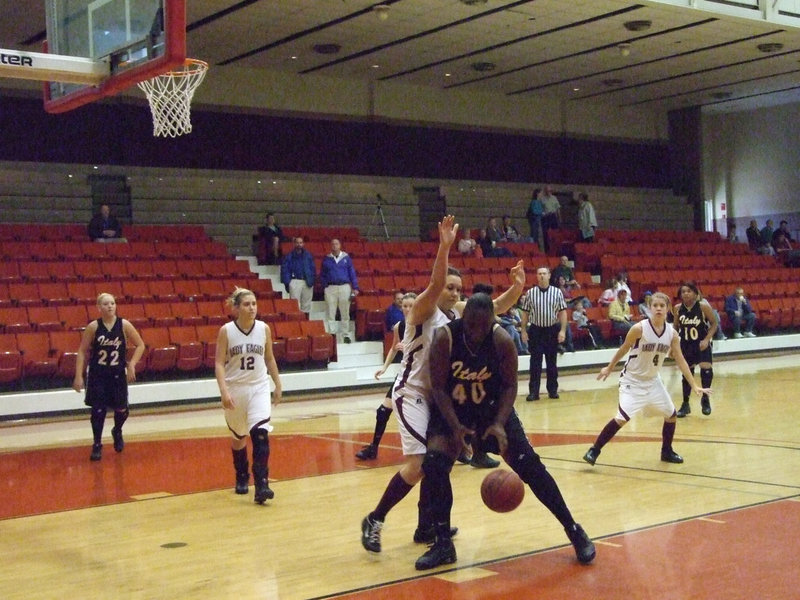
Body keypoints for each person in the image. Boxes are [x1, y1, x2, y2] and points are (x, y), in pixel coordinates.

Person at [360, 216, 525, 554]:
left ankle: (426, 526)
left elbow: (494, 307)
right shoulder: (422, 309)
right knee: (422, 463)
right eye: (449, 287)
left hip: (439, 397)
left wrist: (518, 288)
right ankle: (375, 519)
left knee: (438, 462)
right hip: (412, 393)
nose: (452, 292)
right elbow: (434, 287)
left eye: (456, 289)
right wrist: (444, 247)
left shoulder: (457, 316)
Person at [414, 293, 595, 570]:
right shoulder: (445, 338)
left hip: (492, 410)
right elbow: (438, 387)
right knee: (435, 464)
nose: (475, 332)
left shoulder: (502, 340)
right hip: (454, 409)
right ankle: (442, 543)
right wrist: (455, 427)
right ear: (464, 319)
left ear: (491, 323)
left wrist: (498, 423)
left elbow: (510, 386)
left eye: (482, 327)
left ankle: (573, 529)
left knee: (530, 466)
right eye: (471, 325)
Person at [583, 292, 711, 467]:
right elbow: (624, 348)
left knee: (671, 415)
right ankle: (594, 450)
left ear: (667, 309)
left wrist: (694, 385)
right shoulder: (639, 328)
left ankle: (666, 451)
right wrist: (609, 367)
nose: (658, 309)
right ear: (649, 308)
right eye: (655, 306)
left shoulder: (672, 334)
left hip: (652, 381)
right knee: (622, 418)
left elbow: (680, 359)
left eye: (662, 306)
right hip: (632, 381)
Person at [214, 287, 283, 504]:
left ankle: (262, 485)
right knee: (239, 437)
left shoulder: (264, 328)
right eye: (246, 304)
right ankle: (241, 474)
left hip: (259, 387)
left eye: (254, 303)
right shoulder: (226, 330)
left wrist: (278, 384)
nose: (252, 307)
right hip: (236, 389)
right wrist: (224, 391)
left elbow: (269, 358)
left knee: (261, 435)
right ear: (236, 308)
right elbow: (218, 363)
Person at [73, 293, 145, 461]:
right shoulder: (93, 327)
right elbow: (82, 351)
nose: (110, 306)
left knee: (122, 410)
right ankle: (97, 444)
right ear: (99, 308)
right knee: (98, 411)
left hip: (117, 374)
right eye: (106, 304)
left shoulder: (124, 325)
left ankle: (117, 430)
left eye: (112, 303)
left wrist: (132, 364)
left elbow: (140, 345)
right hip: (98, 375)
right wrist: (78, 375)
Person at [357, 292, 417, 461]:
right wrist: (384, 368)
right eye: (404, 306)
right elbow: (393, 348)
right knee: (383, 411)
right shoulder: (400, 326)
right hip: (405, 374)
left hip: (421, 375)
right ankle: (373, 448)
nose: (407, 309)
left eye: (410, 306)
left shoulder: (425, 325)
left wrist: (409, 349)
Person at [519, 265, 567, 401]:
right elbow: (525, 313)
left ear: (549, 275)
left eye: (544, 273)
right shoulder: (530, 293)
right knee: (535, 363)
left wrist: (562, 330)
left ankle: (552, 390)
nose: (541, 276)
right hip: (536, 330)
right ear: (536, 276)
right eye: (539, 273)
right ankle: (534, 392)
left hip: (551, 330)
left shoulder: (557, 292)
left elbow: (562, 312)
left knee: (552, 363)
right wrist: (523, 330)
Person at [673, 281, 717, 418]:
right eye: (683, 291)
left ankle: (705, 399)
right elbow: (675, 327)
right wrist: (672, 345)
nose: (686, 293)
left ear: (695, 293)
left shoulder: (703, 307)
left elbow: (714, 323)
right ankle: (685, 404)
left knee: (706, 368)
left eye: (689, 291)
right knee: (687, 373)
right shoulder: (677, 308)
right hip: (686, 345)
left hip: (701, 344)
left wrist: (706, 339)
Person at [320, 238, 359, 342]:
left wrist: (355, 287)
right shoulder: (327, 259)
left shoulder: (346, 258)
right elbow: (322, 274)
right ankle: (331, 335)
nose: (334, 246)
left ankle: (345, 335)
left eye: (336, 244)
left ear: (340, 245)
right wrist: (325, 285)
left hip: (344, 286)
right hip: (330, 287)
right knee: (330, 312)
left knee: (345, 312)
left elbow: (352, 273)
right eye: (332, 244)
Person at [280, 236, 315, 315]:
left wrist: (312, 280)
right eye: (297, 243)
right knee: (294, 304)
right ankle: (295, 323)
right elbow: (285, 269)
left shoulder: (308, 256)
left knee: (306, 304)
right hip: (295, 280)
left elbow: (313, 268)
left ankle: (305, 323)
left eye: (300, 243)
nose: (299, 244)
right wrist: (288, 282)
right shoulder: (289, 256)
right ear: (294, 244)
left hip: (307, 281)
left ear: (303, 244)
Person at [540, 185, 561, 253]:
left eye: (550, 191)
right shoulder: (542, 199)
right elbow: (540, 209)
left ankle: (556, 249)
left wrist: (559, 218)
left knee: (555, 234)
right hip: (546, 217)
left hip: (553, 216)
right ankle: (547, 250)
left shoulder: (554, 198)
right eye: (547, 191)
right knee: (546, 234)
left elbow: (557, 208)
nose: (549, 192)